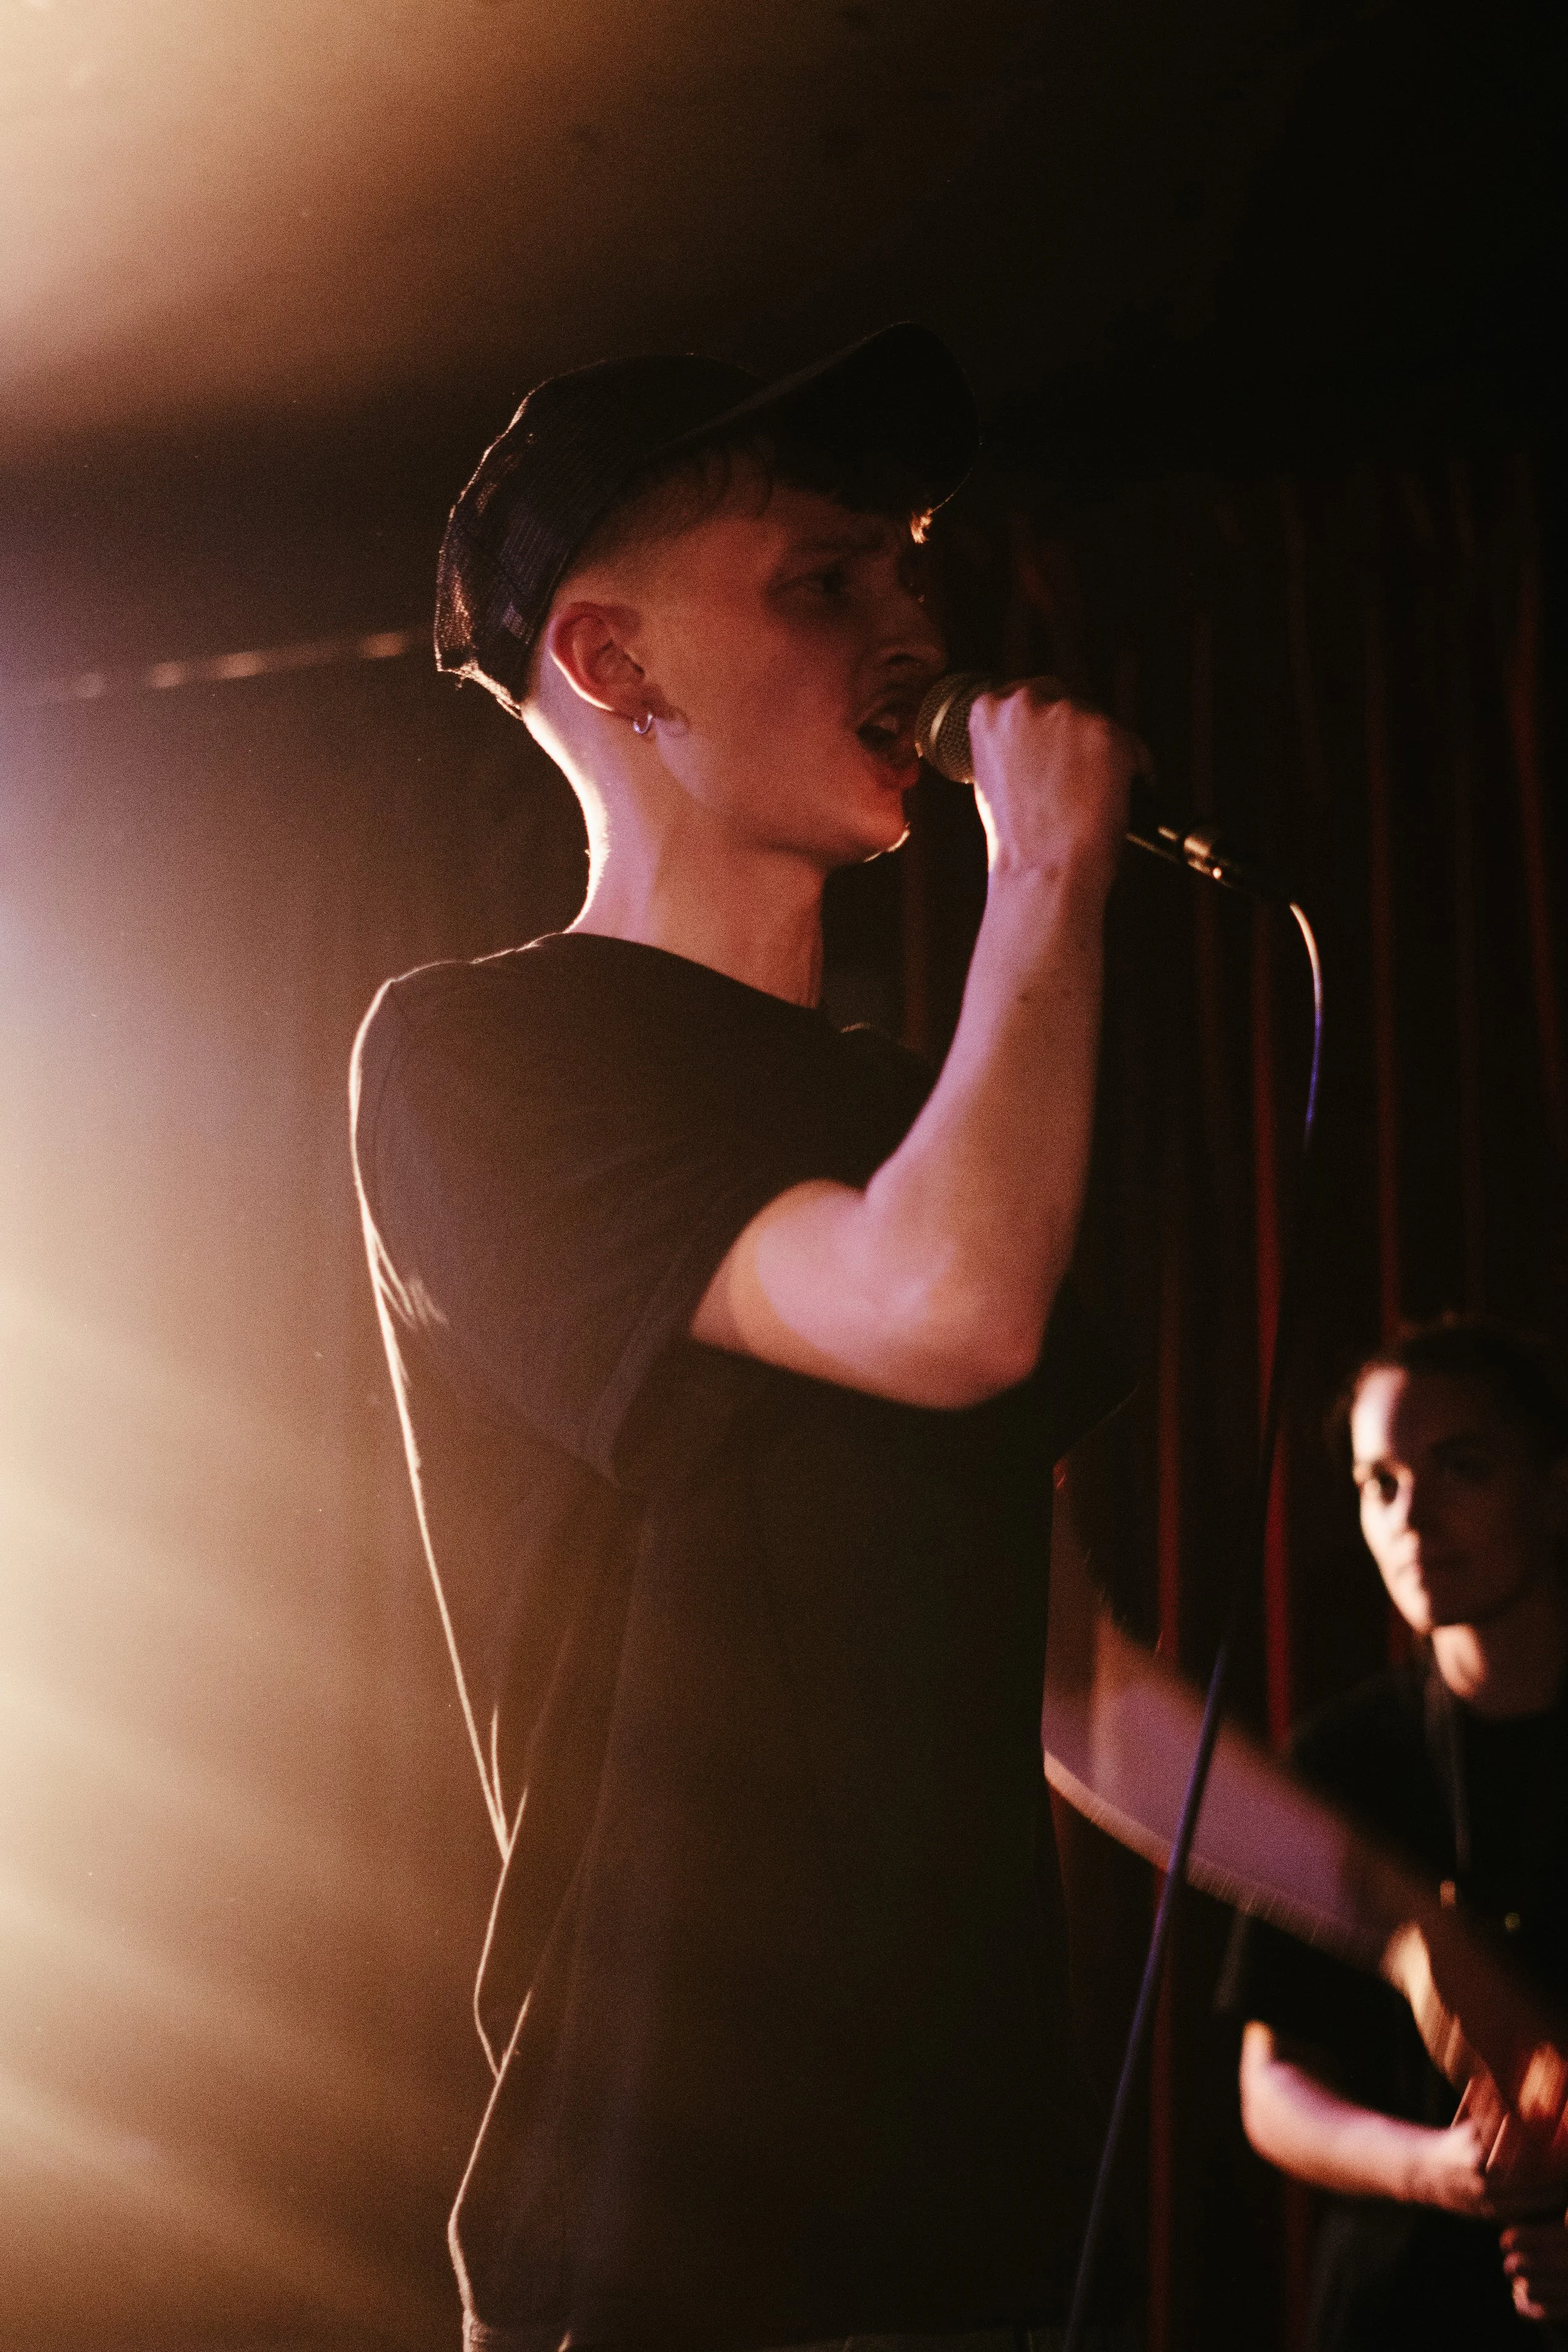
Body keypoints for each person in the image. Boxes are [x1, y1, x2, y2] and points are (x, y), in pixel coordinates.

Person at [350, 327, 1568, 2352]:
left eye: (910, 563)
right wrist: (1058, 866)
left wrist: (1414, 1925)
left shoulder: (907, 1116)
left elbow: (1068, 1674)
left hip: (967, 2241)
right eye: (828, 580)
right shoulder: (483, 1054)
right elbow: (945, 1304)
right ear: (611, 663)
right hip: (667, 2242)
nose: (915, 614)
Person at [1226, 1318, 1568, 2347]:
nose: (1411, 1515)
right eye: (1380, 1481)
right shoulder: (1338, 1756)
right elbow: (1272, 2082)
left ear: (1556, 1489)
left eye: (1459, 1467)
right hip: (1399, 2308)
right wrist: (1434, 2168)